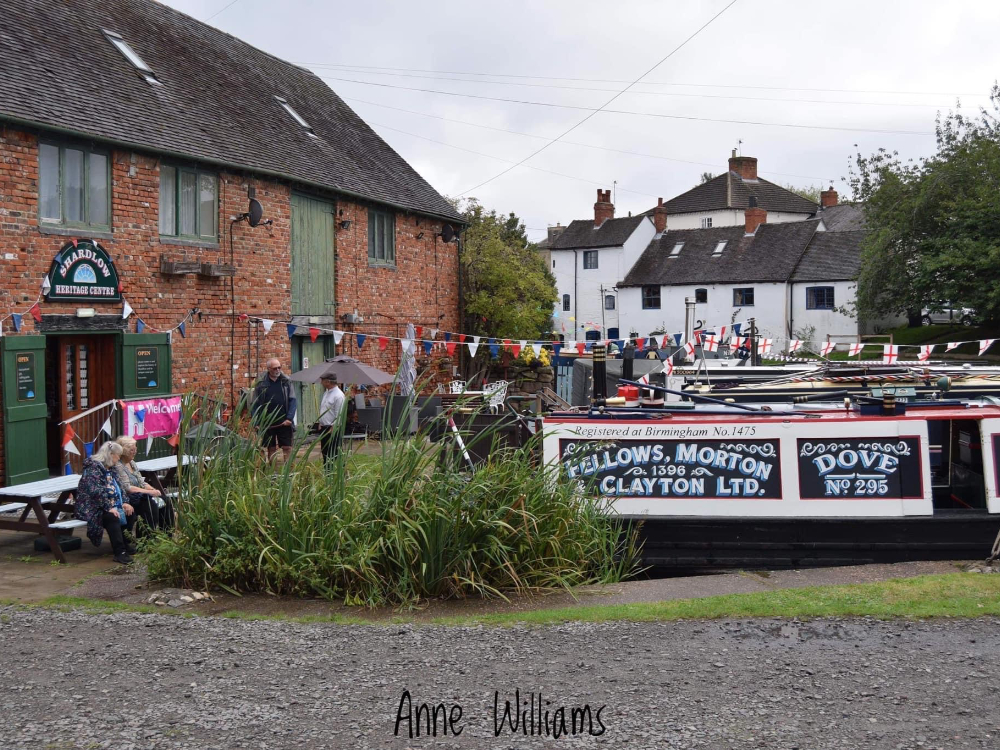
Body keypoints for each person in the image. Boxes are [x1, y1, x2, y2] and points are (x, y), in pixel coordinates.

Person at [74, 441, 136, 564]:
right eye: (118, 455)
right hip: (91, 507)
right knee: (112, 517)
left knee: (130, 512)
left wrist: (124, 502)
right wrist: (109, 507)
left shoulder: (111, 469)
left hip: (110, 504)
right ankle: (119, 552)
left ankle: (125, 543)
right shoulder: (93, 469)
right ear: (110, 454)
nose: (119, 458)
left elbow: (120, 487)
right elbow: (96, 492)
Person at [113, 435, 173, 535]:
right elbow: (128, 488)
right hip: (128, 498)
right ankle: (146, 538)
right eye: (131, 450)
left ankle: (167, 534)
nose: (135, 451)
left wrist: (154, 490)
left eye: (135, 449)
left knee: (165, 500)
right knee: (150, 505)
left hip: (140, 495)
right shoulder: (118, 466)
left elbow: (142, 482)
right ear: (123, 452)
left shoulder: (132, 462)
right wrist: (150, 492)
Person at [251, 357, 297, 460]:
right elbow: (255, 404)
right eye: (275, 368)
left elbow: (293, 400)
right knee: (271, 447)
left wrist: (289, 418)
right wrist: (256, 422)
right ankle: (273, 471)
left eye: (279, 367)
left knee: (287, 447)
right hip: (267, 422)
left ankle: (288, 471)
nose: (278, 370)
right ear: (268, 369)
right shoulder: (261, 383)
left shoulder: (286, 381)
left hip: (284, 421)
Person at [316, 373, 345, 463]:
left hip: (332, 429)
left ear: (328, 381)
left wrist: (333, 427)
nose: (321, 382)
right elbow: (324, 409)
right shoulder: (326, 393)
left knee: (333, 452)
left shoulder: (338, 395)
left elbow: (339, 414)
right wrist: (320, 422)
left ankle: (336, 472)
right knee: (325, 452)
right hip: (324, 427)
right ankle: (327, 473)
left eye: (322, 380)